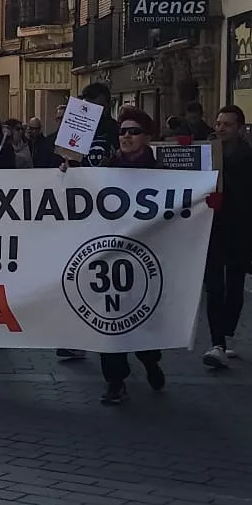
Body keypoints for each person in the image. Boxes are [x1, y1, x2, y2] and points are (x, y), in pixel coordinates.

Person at [98, 108, 168, 405]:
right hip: (111, 259)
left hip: (147, 257)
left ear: (147, 137)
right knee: (109, 320)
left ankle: (150, 360)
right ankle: (115, 380)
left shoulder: (163, 170)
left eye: (133, 131)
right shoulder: (107, 167)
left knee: (142, 318)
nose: (126, 136)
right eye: (123, 131)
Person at [203, 104, 252, 370]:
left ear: (240, 129)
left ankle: (226, 333)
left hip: (239, 233)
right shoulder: (206, 154)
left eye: (227, 124)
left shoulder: (251, 159)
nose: (220, 128)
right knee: (213, 287)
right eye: (218, 123)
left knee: (233, 285)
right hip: (210, 230)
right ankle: (217, 342)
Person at [81, 81, 119, 160]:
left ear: (109, 105)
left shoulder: (118, 131)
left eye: (99, 107)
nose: (95, 112)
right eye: (90, 108)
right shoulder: (76, 128)